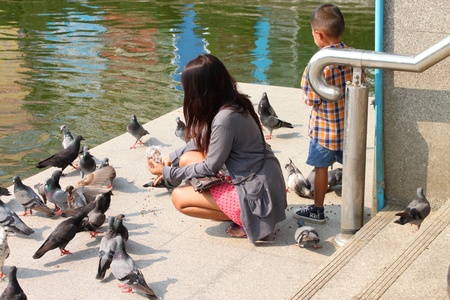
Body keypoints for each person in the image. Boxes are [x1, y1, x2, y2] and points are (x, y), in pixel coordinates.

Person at [147, 54, 287, 243]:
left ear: (200, 90)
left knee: (179, 198)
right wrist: (172, 157)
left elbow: (210, 167)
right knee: (187, 157)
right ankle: (234, 209)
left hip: (256, 192)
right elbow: (203, 138)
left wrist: (167, 172)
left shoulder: (224, 118)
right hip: (261, 179)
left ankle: (249, 220)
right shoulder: (232, 102)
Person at [294, 3, 365, 223]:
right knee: (353, 165)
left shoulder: (317, 64)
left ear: (318, 34)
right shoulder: (354, 56)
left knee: (321, 168)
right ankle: (355, 209)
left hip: (324, 130)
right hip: (349, 128)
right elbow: (361, 83)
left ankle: (318, 209)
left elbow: (310, 98)